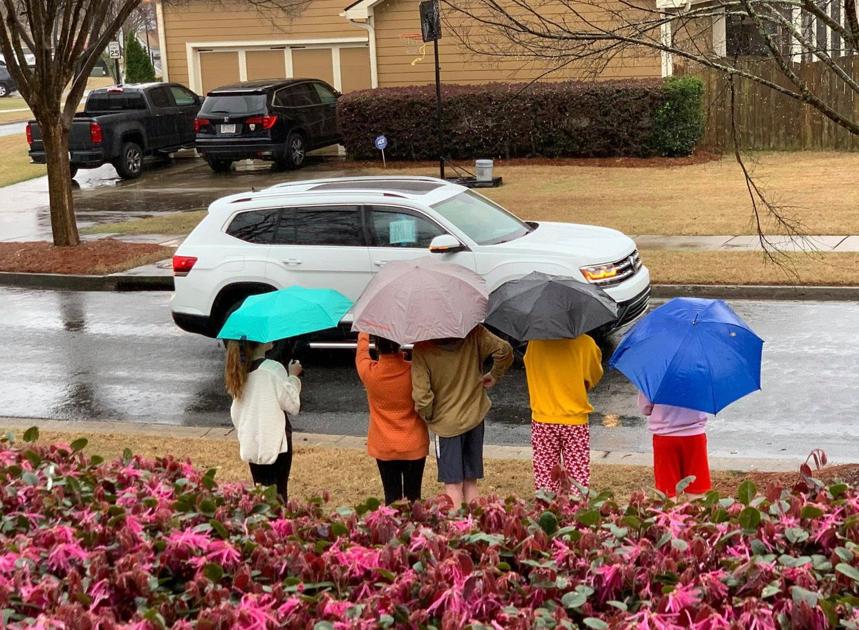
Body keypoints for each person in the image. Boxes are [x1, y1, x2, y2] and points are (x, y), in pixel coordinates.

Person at [411, 325, 513, 507]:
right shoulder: (474, 332)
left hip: (446, 425)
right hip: (475, 416)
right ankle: (477, 527)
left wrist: (429, 416)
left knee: (453, 484)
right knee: (471, 480)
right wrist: (495, 374)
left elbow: (422, 396)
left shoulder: (422, 348)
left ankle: (457, 530)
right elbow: (504, 350)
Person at [523, 334, 604, 494]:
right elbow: (593, 376)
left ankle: (546, 512)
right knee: (578, 477)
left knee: (545, 477)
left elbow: (530, 368)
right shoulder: (586, 343)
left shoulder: (535, 343)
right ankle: (575, 514)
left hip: (543, 418)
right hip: (575, 421)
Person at [355, 332, 429, 504]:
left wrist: (364, 329)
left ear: (376, 346)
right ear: (399, 344)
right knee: (414, 497)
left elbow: (361, 353)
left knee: (391, 497)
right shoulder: (414, 371)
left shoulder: (369, 373)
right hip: (414, 443)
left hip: (384, 445)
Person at [225, 338, 302, 502]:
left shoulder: (239, 372)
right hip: (277, 445)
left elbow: (236, 413)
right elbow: (293, 405)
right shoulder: (273, 369)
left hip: (252, 445)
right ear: (259, 342)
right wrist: (293, 377)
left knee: (261, 496)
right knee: (279, 495)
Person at [638, 392, 711, 497]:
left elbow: (645, 408)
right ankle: (697, 512)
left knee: (668, 491)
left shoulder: (653, 377)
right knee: (696, 490)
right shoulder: (701, 376)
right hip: (695, 437)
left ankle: (670, 512)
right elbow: (707, 401)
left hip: (665, 437)